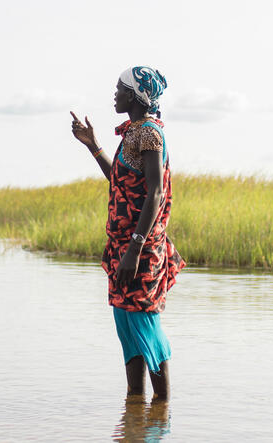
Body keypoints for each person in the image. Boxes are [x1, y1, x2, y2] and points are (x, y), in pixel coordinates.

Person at [70, 66, 185, 401]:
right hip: (123, 246)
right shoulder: (133, 134)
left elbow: (155, 193)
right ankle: (135, 408)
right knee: (126, 326)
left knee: (145, 326)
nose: (115, 93)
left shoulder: (149, 134)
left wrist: (135, 250)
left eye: (120, 89)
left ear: (135, 96)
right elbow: (121, 182)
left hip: (141, 249)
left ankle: (161, 411)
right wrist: (93, 146)